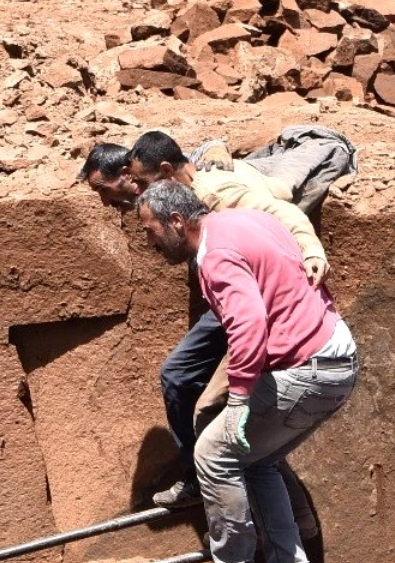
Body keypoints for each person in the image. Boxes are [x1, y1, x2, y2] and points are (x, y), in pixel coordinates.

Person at [134, 180, 358, 563]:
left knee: (214, 456)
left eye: (150, 230)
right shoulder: (244, 220)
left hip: (306, 368)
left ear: (177, 222)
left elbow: (249, 323)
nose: (149, 241)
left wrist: (238, 398)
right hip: (334, 358)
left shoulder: (213, 258)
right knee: (256, 460)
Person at [121, 131, 332, 512]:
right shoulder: (186, 188)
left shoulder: (216, 194)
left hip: (254, 299)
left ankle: (215, 482)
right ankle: (200, 475)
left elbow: (283, 212)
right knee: (179, 376)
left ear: (166, 172)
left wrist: (312, 250)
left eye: (142, 181)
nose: (137, 190)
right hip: (229, 298)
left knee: (212, 409)